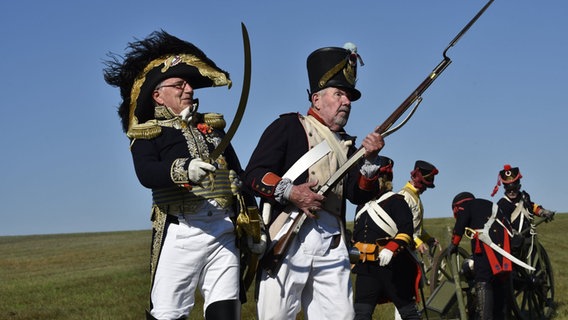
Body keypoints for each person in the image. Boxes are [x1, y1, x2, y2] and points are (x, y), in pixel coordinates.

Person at [103, 30, 258, 320]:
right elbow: (146, 173)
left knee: (227, 313)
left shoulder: (213, 128)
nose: (188, 89)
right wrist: (184, 169)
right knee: (168, 315)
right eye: (179, 84)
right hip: (182, 231)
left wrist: (252, 224)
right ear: (158, 95)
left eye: (189, 84)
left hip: (223, 231)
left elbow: (240, 175)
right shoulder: (149, 133)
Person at [244, 43, 385, 320]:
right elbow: (253, 175)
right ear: (317, 99)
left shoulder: (348, 146)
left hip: (332, 240)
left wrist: (368, 161)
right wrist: (292, 192)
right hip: (288, 234)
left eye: (348, 97)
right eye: (339, 94)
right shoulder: (288, 127)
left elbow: (358, 195)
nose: (346, 101)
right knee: (276, 315)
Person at [351, 156, 421, 320]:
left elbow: (406, 231)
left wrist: (391, 248)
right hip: (366, 268)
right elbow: (357, 235)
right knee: (361, 314)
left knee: (408, 313)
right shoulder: (362, 205)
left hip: (393, 267)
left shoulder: (396, 201)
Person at [448, 192, 512, 320]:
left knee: (483, 278)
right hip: (504, 244)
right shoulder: (487, 204)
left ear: (456, 207)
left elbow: (460, 223)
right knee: (499, 280)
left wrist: (454, 243)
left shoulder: (465, 206)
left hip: (485, 243)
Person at [394, 160, 438, 319]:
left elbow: (415, 226)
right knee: (405, 292)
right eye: (425, 184)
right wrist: (418, 242)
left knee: (412, 291)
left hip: (410, 250)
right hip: (403, 250)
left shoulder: (415, 197)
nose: (426, 188)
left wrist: (427, 238)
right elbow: (402, 226)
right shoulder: (405, 196)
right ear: (418, 179)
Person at [491, 164, 555, 237]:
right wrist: (512, 232)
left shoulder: (524, 197)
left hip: (530, 237)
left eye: (514, 189)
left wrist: (542, 212)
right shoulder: (502, 204)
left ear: (519, 187)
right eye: (509, 190)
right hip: (514, 242)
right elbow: (502, 224)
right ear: (505, 189)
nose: (511, 192)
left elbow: (531, 206)